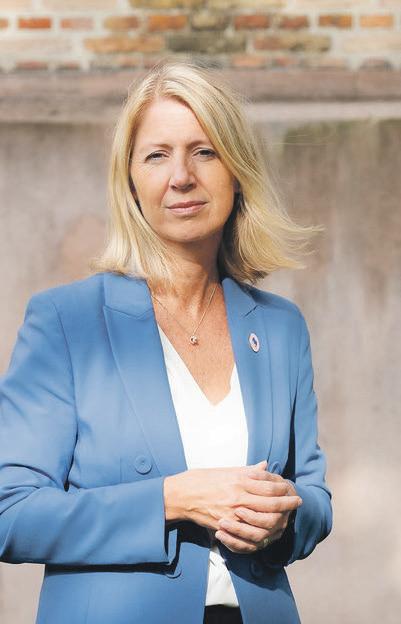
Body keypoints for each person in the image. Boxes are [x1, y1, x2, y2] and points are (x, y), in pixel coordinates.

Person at [0, 58, 332, 624]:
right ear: (131, 180)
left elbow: (314, 497)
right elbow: (11, 512)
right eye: (157, 155)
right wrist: (172, 499)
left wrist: (285, 518)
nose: (181, 176)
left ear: (237, 170)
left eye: (204, 151)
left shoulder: (281, 326)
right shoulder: (65, 321)